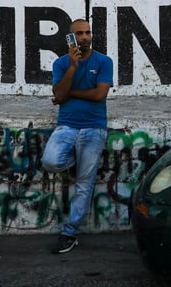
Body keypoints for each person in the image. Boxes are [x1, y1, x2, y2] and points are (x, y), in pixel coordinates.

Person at [41, 18, 114, 254]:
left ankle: (70, 233)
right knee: (50, 161)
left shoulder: (104, 61)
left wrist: (68, 93)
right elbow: (59, 96)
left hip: (94, 127)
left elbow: (99, 95)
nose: (84, 37)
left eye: (87, 32)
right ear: (70, 38)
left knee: (84, 184)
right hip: (68, 126)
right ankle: (77, 159)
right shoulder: (62, 64)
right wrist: (73, 67)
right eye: (79, 33)